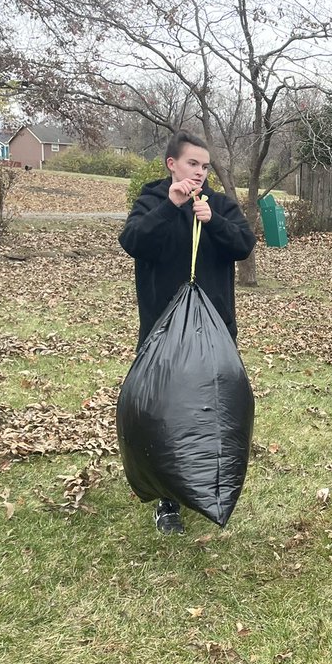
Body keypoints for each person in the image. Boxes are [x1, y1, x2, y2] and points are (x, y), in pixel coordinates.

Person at [119, 130, 256, 535]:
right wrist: (170, 205)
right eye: (192, 164)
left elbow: (244, 244)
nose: (199, 172)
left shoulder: (219, 205)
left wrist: (214, 224)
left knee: (213, 406)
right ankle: (167, 499)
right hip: (164, 330)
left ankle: (209, 483)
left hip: (214, 329)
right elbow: (133, 241)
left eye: (205, 166)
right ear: (171, 164)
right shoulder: (152, 199)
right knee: (166, 411)